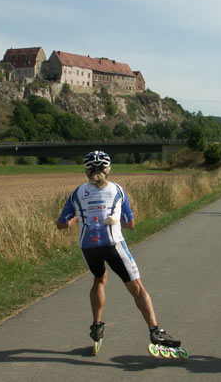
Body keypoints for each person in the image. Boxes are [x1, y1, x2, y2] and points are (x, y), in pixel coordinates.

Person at [57, 151, 181, 353]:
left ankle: (97, 327)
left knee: (99, 279)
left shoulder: (76, 193)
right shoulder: (117, 190)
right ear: (108, 170)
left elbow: (61, 224)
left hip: (88, 245)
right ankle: (155, 330)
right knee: (136, 287)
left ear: (87, 171)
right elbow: (131, 224)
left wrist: (76, 219)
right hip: (113, 243)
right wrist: (115, 221)